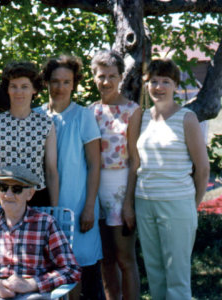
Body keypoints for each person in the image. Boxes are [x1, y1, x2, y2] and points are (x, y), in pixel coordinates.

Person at [135, 58, 209, 300]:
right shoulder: (143, 118)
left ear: (175, 85)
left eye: (165, 81)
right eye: (153, 81)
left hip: (177, 204)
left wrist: (192, 204)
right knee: (155, 274)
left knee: (176, 278)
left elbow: (203, 168)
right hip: (145, 202)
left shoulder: (187, 119)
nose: (159, 87)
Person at [36, 55, 104, 300]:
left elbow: (95, 165)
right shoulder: (36, 115)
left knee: (75, 267)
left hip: (77, 203)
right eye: (55, 81)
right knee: (47, 265)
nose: (60, 87)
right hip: (43, 203)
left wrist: (88, 208)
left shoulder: (83, 116)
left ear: (74, 83)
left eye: (66, 81)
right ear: (46, 82)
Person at [0, 165, 81, 299]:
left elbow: (71, 269)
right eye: (3, 188)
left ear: (30, 193)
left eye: (17, 189)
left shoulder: (46, 224)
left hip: (31, 295)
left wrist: (32, 284)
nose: (8, 194)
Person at [89, 50, 141, 300]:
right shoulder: (90, 111)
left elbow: (135, 160)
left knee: (125, 258)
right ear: (94, 78)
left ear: (121, 77)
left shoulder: (132, 110)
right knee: (105, 258)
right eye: (101, 76)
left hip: (120, 188)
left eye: (112, 76)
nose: (106, 81)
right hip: (95, 189)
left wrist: (129, 202)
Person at [0, 61, 59, 207]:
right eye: (14, 87)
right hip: (2, 195)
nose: (19, 92)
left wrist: (54, 209)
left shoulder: (46, 123)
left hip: (36, 197)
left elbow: (51, 171)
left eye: (24, 87)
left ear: (34, 89)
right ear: (8, 89)